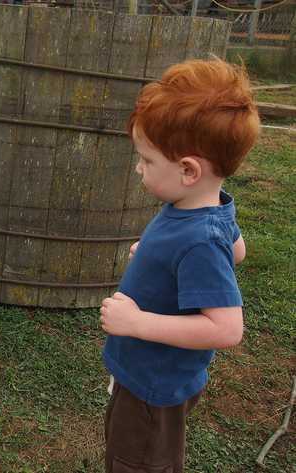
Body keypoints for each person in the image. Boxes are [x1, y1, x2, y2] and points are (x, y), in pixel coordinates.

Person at [99, 58, 260, 473]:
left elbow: (226, 329)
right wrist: (156, 255)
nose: (139, 167)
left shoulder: (200, 237)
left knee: (139, 462)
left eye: (147, 160)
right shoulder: (206, 210)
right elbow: (236, 250)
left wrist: (136, 323)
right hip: (148, 375)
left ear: (188, 170)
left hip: (154, 387)